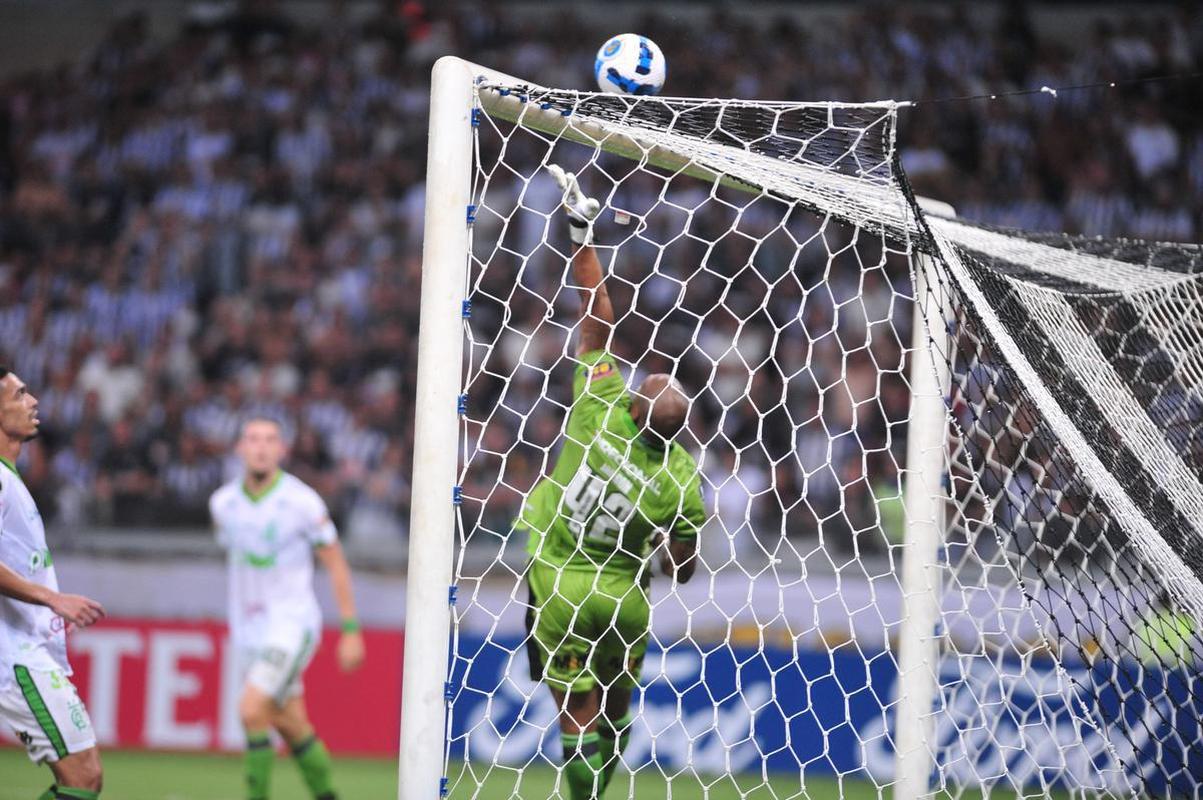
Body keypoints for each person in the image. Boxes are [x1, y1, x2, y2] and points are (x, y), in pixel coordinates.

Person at [515, 165, 707, 799]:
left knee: (575, 715)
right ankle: (607, 785)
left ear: (632, 404)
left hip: (561, 581)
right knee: (618, 703)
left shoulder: (599, 408)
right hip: (623, 597)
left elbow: (596, 312)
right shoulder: (680, 477)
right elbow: (682, 568)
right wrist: (663, 546)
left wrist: (581, 235)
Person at [209, 417, 366, 800]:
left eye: (270, 440)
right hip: (247, 628)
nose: (261, 447)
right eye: (253, 439)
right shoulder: (223, 504)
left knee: (250, 711)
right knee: (290, 722)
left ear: (282, 450)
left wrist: (350, 628)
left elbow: (335, 561)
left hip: (292, 623)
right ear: (240, 449)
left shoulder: (302, 501)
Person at [0, 367, 107, 800]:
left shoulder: (10, 477)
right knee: (83, 776)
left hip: (27, 648)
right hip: (15, 655)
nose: (33, 401)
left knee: (82, 776)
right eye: (20, 393)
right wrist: (52, 598)